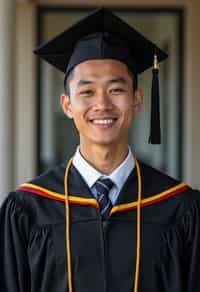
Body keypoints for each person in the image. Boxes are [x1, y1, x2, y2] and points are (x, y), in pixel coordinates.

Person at [0, 7, 200, 292]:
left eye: (116, 89)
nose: (102, 104)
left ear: (137, 100)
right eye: (87, 91)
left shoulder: (180, 209)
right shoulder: (28, 210)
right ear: (67, 105)